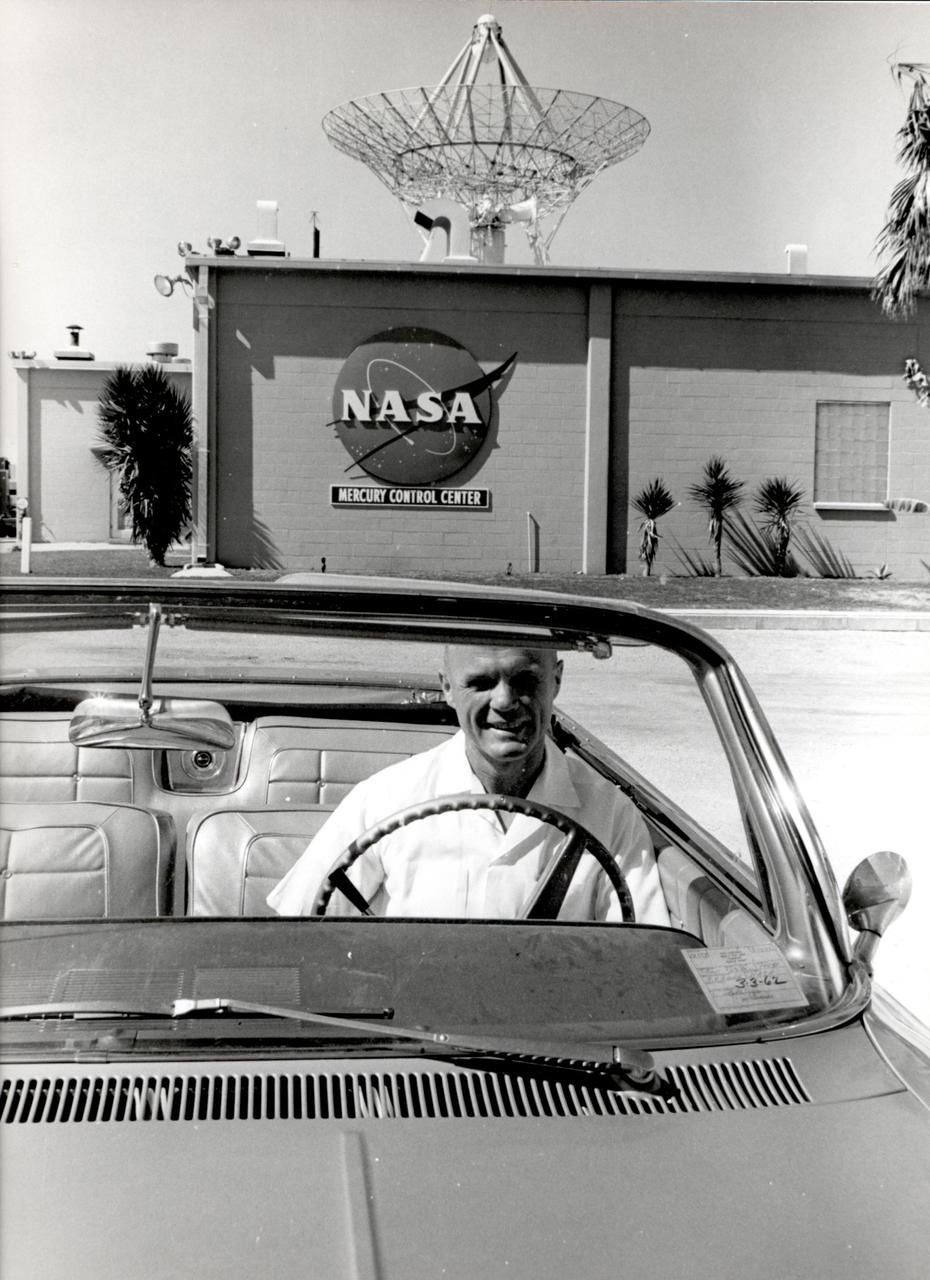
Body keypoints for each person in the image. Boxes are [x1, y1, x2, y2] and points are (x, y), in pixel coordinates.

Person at [267, 645, 669, 924]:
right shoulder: (383, 801)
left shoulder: (611, 812)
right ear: (446, 687)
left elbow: (642, 958)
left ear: (557, 680)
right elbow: (300, 929)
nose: (506, 701)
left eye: (526, 680)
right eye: (480, 683)